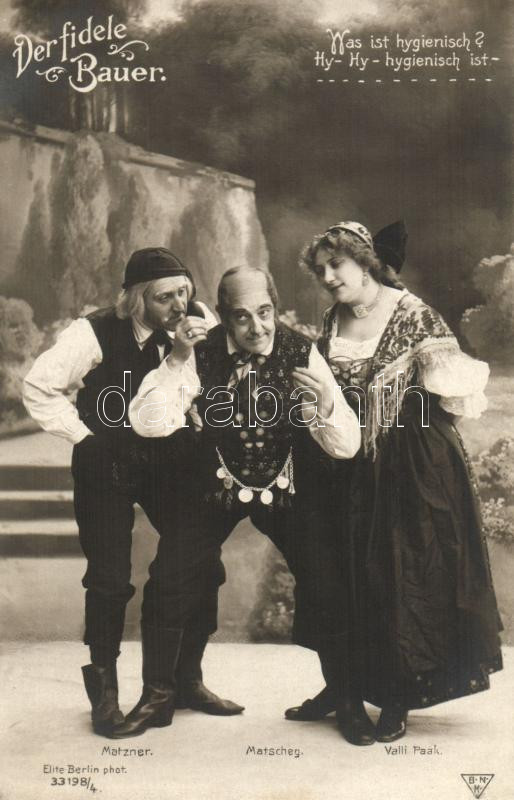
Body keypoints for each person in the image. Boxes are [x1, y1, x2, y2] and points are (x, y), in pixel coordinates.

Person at [128, 265, 378, 746]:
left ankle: (347, 699)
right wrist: (177, 362)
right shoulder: (196, 350)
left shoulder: (301, 350)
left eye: (264, 312)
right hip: (215, 483)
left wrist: (326, 405)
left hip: (287, 485)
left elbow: (346, 445)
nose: (256, 327)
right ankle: (159, 694)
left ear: (276, 306)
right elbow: (148, 423)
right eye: (241, 317)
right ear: (222, 315)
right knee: (170, 576)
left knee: (328, 577)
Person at [285, 220, 503, 742]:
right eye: (321, 270)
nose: (329, 277)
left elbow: (455, 396)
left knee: (399, 573)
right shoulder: (333, 317)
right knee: (340, 574)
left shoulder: (413, 313)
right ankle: (342, 685)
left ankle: (398, 693)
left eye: (337, 265)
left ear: (365, 262)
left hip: (409, 462)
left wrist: (406, 421)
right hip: (342, 459)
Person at [23, 247, 243, 740]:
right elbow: (38, 386)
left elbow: (208, 382)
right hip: (107, 463)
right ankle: (104, 693)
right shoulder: (94, 331)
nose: (179, 305)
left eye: (184, 292)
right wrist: (84, 438)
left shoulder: (196, 322)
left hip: (168, 461)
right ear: (137, 299)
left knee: (201, 559)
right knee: (108, 578)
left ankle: (187, 680)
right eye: (166, 297)